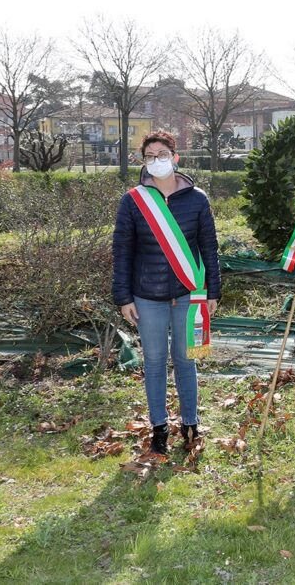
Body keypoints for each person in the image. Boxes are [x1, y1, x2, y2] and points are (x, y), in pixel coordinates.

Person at [112, 132, 220, 455]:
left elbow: (209, 248)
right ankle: (159, 427)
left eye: (162, 153)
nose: (156, 159)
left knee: (187, 360)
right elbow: (122, 252)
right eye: (149, 155)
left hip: (189, 294)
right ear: (144, 162)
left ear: (175, 157)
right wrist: (123, 297)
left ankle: (190, 423)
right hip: (147, 296)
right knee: (156, 361)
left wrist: (213, 290)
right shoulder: (133, 202)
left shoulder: (198, 199)